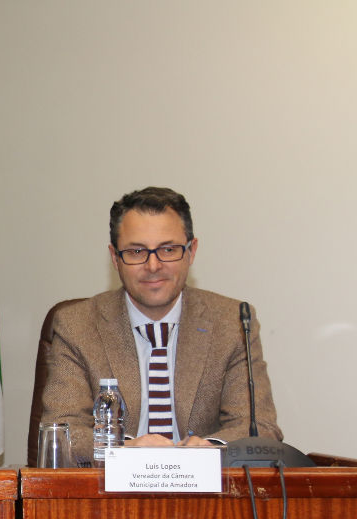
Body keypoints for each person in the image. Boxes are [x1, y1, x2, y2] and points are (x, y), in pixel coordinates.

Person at [40, 186, 282, 462]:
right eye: (136, 251)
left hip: (207, 499)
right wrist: (126, 450)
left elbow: (259, 428)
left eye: (168, 249)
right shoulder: (77, 325)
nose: (153, 265)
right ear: (114, 258)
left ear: (191, 252)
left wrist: (209, 449)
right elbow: (61, 430)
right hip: (109, 498)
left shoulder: (232, 323)